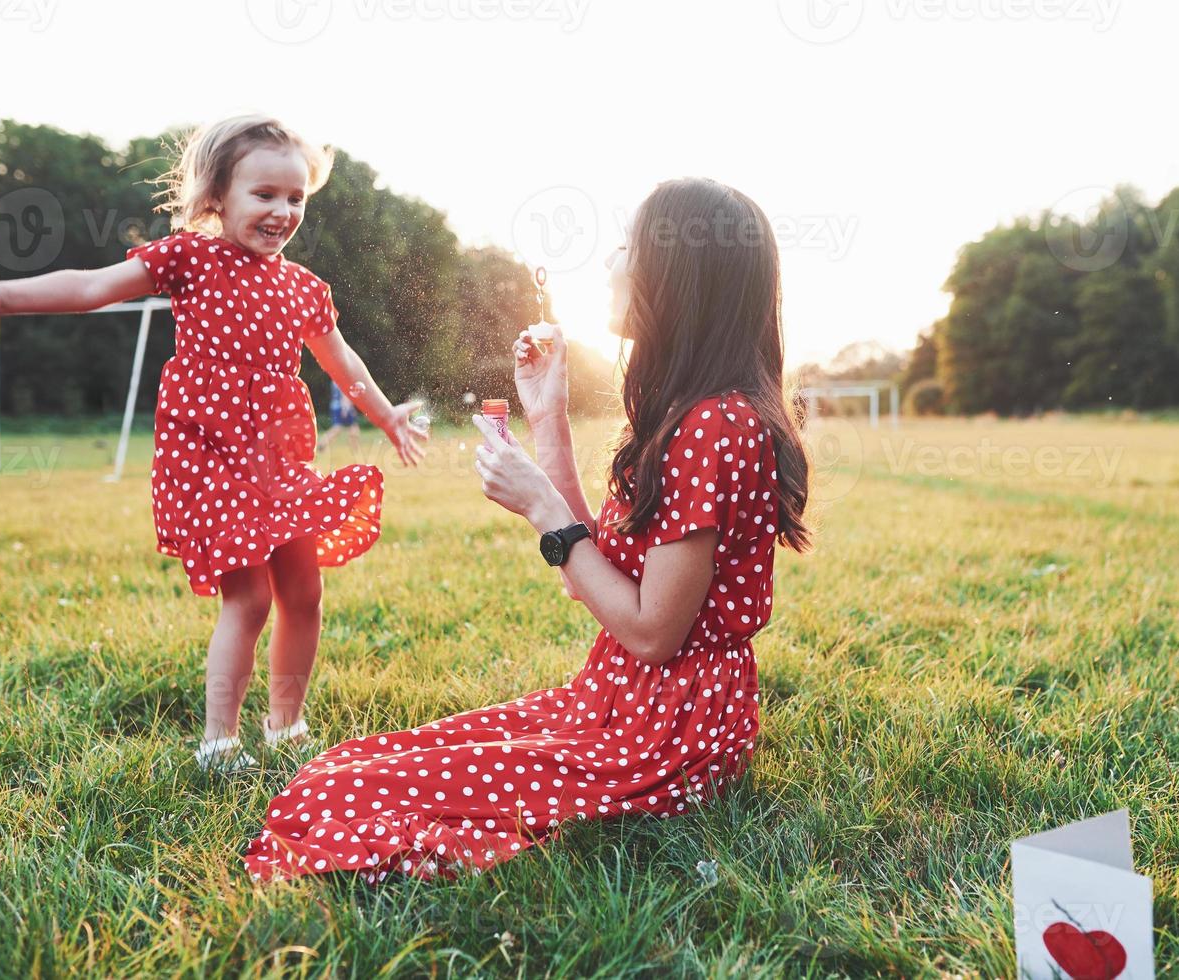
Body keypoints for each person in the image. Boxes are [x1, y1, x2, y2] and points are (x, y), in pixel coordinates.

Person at [244, 177, 811, 883]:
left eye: (626, 247)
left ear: (679, 277)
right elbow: (600, 575)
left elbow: (651, 631)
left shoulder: (715, 426)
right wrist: (548, 415)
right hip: (618, 700)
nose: (611, 264)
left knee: (339, 794)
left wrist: (545, 511)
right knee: (355, 766)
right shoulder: (691, 415)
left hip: (665, 734)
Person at [0, 115, 429, 772]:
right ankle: (219, 742)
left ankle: (286, 726)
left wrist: (387, 417)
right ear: (218, 196)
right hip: (212, 461)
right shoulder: (189, 257)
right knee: (251, 597)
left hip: (278, 463)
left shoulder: (304, 289)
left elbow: (344, 363)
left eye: (295, 198)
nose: (282, 211)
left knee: (303, 590)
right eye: (264, 195)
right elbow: (90, 287)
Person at [317, 380, 363, 456]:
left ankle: (322, 444)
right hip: (342, 406)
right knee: (344, 428)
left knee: (349, 428)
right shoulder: (343, 378)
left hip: (335, 406)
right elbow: (345, 394)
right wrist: (346, 408)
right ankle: (355, 451)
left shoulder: (335, 379)